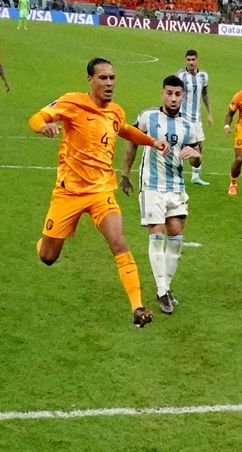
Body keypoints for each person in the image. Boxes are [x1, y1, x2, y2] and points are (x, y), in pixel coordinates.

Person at [28, 57, 169, 328]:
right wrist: (43, 125)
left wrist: (152, 142)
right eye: (103, 78)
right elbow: (36, 117)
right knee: (47, 257)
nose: (109, 83)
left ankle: (137, 308)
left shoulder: (115, 111)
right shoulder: (73, 102)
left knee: (119, 242)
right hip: (69, 192)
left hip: (101, 191)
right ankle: (44, 241)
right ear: (90, 80)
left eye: (112, 78)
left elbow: (126, 130)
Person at [120, 75, 202, 315]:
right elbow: (132, 142)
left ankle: (165, 286)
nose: (173, 98)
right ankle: (162, 290)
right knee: (156, 236)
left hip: (176, 187)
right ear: (162, 93)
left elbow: (197, 157)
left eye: (178, 94)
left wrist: (195, 156)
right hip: (152, 186)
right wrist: (125, 173)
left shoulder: (189, 126)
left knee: (175, 237)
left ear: (183, 96)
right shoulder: (148, 117)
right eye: (169, 93)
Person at [176, 49, 212, 186]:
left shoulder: (203, 76)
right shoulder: (181, 75)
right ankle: (176, 173)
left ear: (197, 60)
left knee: (199, 147)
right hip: (182, 117)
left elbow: (205, 95)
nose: (191, 62)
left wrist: (209, 113)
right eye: (188, 60)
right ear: (186, 60)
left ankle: (195, 176)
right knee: (178, 145)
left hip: (196, 118)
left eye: (193, 59)